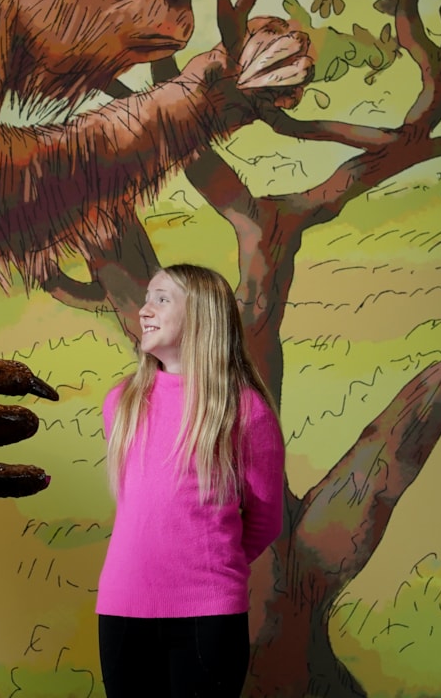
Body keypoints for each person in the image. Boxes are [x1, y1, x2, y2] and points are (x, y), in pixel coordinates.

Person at [95, 264, 286, 698]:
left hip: (209, 617)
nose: (145, 310)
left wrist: (208, 567)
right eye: (147, 297)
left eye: (162, 298)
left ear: (202, 315)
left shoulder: (245, 410)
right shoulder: (120, 404)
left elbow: (265, 520)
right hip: (122, 610)